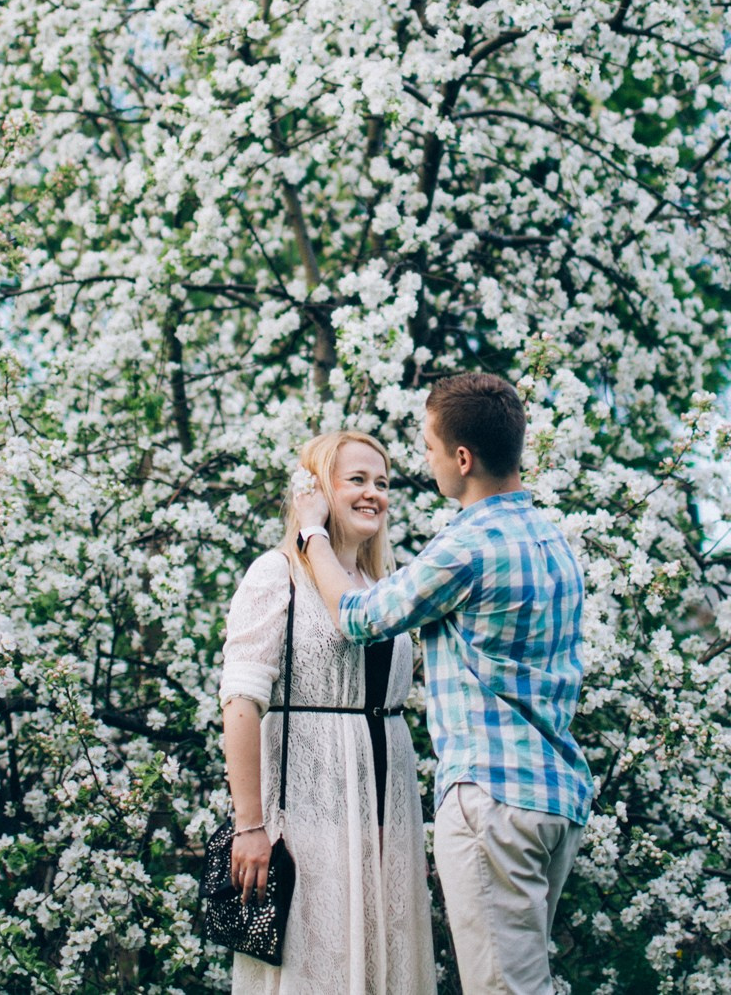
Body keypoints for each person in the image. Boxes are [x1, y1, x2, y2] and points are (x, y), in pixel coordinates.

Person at [296, 373, 592, 995]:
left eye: (429, 451)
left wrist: (312, 533)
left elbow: (359, 618)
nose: (425, 465)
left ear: (462, 458)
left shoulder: (468, 546)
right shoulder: (554, 543)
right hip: (557, 799)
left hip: (493, 798)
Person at [217, 431, 435, 994]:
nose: (373, 495)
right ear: (316, 490)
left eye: (382, 483)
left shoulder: (382, 585)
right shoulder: (277, 573)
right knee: (317, 963)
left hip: (389, 809)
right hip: (310, 810)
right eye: (356, 480)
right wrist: (250, 826)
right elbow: (240, 700)